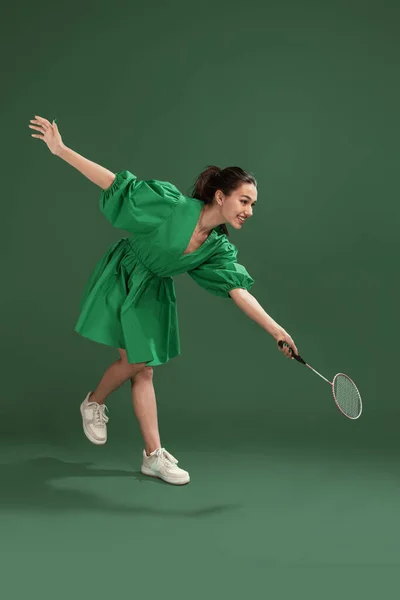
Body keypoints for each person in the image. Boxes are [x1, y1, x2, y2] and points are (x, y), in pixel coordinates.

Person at [29, 115, 299, 486]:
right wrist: (61, 150)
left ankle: (152, 456)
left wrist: (276, 330)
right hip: (124, 274)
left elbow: (238, 290)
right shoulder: (173, 205)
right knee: (138, 361)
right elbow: (114, 184)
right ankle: (94, 401)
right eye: (244, 200)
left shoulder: (217, 247)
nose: (249, 210)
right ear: (221, 196)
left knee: (144, 368)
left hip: (153, 289)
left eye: (253, 204)